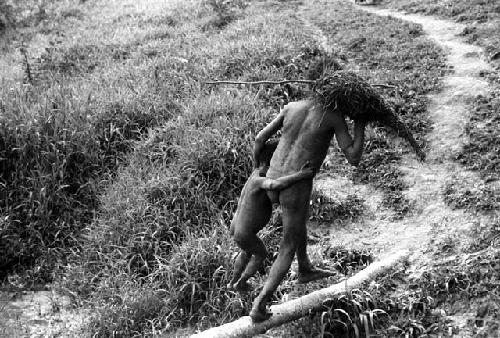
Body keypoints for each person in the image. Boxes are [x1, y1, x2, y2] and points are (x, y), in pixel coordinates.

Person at [249, 97, 367, 322]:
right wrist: (360, 124)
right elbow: (353, 157)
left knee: (297, 222)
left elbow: (259, 138)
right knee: (287, 246)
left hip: (272, 178)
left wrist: (258, 169)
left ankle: (305, 267)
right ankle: (260, 305)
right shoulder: (333, 116)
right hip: (295, 186)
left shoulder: (293, 106)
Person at [228, 140, 315, 292]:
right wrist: (301, 175)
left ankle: (232, 282)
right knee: (261, 254)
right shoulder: (259, 181)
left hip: (236, 227)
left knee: (247, 251)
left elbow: (259, 142)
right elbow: (276, 185)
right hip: (244, 231)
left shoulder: (254, 173)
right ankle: (241, 283)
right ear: (267, 164)